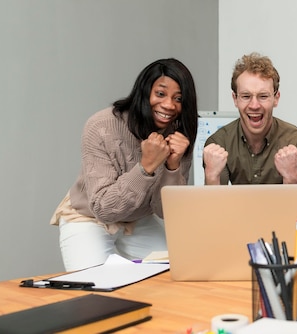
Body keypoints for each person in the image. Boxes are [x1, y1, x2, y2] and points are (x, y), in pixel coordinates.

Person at [49, 58, 198, 271]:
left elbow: (165, 211)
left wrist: (172, 167)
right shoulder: (101, 126)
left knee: (175, 271)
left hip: (139, 218)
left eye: (179, 98)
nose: (169, 105)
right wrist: (145, 167)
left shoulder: (179, 134)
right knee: (95, 288)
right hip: (89, 216)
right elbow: (104, 209)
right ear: (144, 92)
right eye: (160, 94)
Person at [202, 52, 297, 185]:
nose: (254, 106)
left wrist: (291, 177)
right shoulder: (218, 143)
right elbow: (215, 204)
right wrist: (212, 176)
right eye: (245, 96)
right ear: (235, 99)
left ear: (276, 98)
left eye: (263, 96)